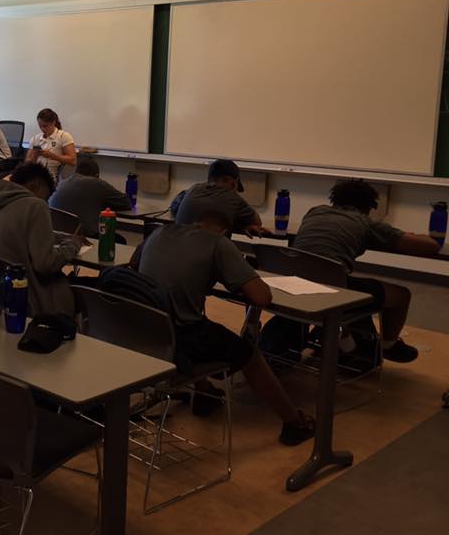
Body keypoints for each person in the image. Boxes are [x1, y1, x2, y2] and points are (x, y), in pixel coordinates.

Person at [129, 209, 314, 446]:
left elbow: (133, 265)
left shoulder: (158, 232)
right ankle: (294, 422)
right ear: (227, 231)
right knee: (247, 352)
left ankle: (204, 394)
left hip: (143, 329)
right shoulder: (218, 243)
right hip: (180, 337)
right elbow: (261, 298)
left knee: (204, 329)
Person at [292, 179, 440, 363]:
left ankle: (346, 340)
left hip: (293, 286)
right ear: (369, 207)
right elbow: (429, 246)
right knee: (401, 295)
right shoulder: (364, 222)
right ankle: (388, 346)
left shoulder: (314, 212)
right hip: (332, 293)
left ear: (334, 199)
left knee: (341, 278)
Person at [0, 163, 81, 316]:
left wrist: (59, 236)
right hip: (26, 294)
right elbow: (46, 264)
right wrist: (73, 244)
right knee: (78, 290)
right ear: (37, 185)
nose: (45, 201)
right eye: (46, 197)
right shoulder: (36, 205)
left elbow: (19, 231)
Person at [174, 159, 267, 235]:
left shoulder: (193, 189)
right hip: (207, 255)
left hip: (177, 253)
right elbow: (257, 222)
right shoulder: (232, 197)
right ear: (234, 183)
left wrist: (239, 227)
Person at [49, 156, 132, 235]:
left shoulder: (62, 183)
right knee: (120, 240)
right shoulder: (97, 184)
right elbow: (126, 202)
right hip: (84, 237)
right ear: (96, 176)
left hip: (58, 235)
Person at [25, 108, 76, 181]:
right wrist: (35, 156)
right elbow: (27, 164)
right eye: (40, 126)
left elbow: (73, 161)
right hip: (34, 174)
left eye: (45, 126)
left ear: (53, 123)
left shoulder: (63, 136)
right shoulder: (35, 138)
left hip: (49, 177)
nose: (42, 129)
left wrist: (51, 156)